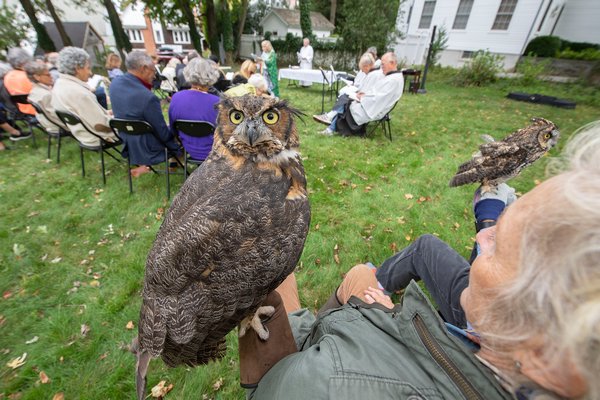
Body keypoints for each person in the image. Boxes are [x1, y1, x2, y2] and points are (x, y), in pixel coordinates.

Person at [239, 122, 600, 400]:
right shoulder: (509, 355)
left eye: (498, 243)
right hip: (405, 339)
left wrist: (360, 319)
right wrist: (384, 318)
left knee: (268, 251)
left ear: (545, 358)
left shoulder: (334, 385)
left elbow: (273, 385)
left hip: (306, 360)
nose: (481, 237)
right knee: (363, 274)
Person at [110, 51, 180, 177]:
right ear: (144, 69)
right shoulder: (148, 98)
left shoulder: (115, 84)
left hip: (129, 145)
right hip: (149, 150)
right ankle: (177, 164)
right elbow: (163, 135)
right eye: (154, 71)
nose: (154, 76)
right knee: (181, 132)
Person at [317, 52, 402, 137]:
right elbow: (376, 93)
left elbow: (378, 98)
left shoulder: (393, 80)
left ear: (392, 63)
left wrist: (363, 97)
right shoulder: (392, 77)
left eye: (383, 64)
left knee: (347, 103)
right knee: (347, 101)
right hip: (372, 105)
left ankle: (330, 127)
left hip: (374, 109)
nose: (381, 67)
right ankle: (330, 126)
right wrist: (364, 94)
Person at [51, 47, 116, 147]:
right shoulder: (79, 93)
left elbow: (86, 116)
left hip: (82, 135)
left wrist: (108, 113)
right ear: (78, 68)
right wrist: (121, 118)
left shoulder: (58, 85)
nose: (90, 73)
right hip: (99, 136)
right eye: (88, 68)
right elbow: (101, 125)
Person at [168, 57, 220, 162]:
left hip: (189, 149)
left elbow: (173, 130)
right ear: (211, 75)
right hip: (215, 152)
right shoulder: (217, 102)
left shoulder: (176, 97)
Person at [312, 52, 381, 126]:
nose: (363, 71)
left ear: (367, 66)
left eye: (363, 69)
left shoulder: (374, 75)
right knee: (344, 97)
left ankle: (329, 119)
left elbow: (371, 91)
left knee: (345, 99)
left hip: (367, 101)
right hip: (361, 96)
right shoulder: (371, 73)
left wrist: (359, 93)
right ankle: (330, 120)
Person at [25, 61, 68, 134]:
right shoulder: (45, 95)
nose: (51, 76)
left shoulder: (34, 92)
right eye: (47, 75)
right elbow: (57, 116)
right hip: (58, 126)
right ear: (37, 77)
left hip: (48, 125)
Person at [0, 61, 30, 143]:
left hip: (11, 110)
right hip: (22, 109)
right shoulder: (7, 83)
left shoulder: (4, 83)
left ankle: (14, 132)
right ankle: (15, 132)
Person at [3, 47, 35, 116]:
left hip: (23, 109)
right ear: (25, 59)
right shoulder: (28, 76)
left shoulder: (7, 77)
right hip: (37, 109)